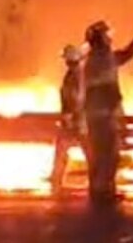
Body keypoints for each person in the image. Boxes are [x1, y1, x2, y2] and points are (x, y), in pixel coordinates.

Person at [83, 20, 133, 205]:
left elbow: (125, 55)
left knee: (102, 155)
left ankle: (101, 191)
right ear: (100, 38)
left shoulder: (97, 57)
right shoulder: (102, 58)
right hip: (103, 115)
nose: (109, 38)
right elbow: (124, 57)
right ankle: (103, 193)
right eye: (106, 35)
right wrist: (115, 109)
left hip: (97, 114)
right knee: (108, 155)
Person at [52, 44, 88, 191]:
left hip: (77, 120)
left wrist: (71, 115)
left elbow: (76, 96)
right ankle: (56, 177)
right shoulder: (76, 73)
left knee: (64, 148)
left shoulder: (76, 75)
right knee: (64, 149)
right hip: (78, 120)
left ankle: (57, 177)